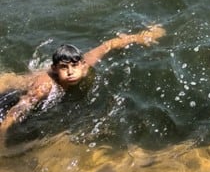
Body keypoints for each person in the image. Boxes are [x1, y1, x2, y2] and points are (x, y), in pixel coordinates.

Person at [0, 25, 166, 145]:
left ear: (83, 64)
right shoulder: (43, 87)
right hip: (12, 88)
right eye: (64, 68)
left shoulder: (86, 64)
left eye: (74, 66)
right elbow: (16, 112)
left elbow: (108, 45)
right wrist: (3, 137)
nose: (71, 72)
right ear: (55, 69)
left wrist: (141, 37)